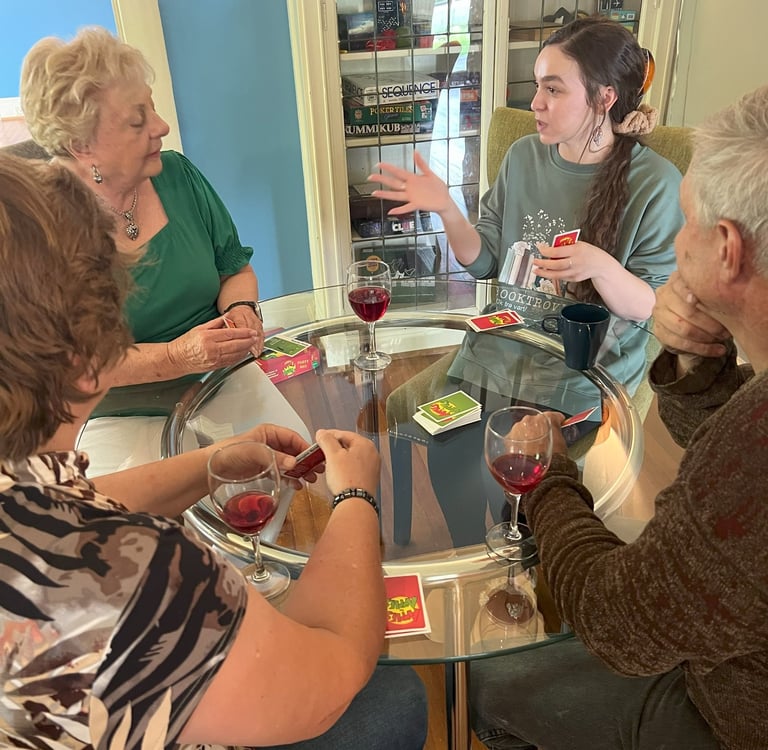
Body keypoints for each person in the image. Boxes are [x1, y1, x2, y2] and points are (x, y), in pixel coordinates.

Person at [0, 154, 427, 749]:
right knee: (396, 697)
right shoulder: (135, 574)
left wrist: (211, 463)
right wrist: (356, 497)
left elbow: (66, 504)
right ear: (88, 352)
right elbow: (335, 670)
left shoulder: (23, 491)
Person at [468, 85, 768, 750]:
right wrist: (699, 357)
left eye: (684, 224)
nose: (673, 245)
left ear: (726, 248)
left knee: (491, 684)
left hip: (728, 717)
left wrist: (547, 474)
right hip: (730, 645)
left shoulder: (753, 462)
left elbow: (615, 623)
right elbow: (728, 435)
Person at [373, 16, 682, 547]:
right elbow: (485, 259)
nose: (535, 102)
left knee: (526, 485)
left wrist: (600, 266)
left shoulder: (655, 183)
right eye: (537, 85)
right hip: (499, 348)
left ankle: (539, 568)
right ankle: (490, 561)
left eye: (553, 88)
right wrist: (448, 208)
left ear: (605, 97)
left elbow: (648, 305)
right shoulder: (522, 157)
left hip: (582, 373)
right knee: (453, 464)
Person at [19, 27, 308, 477]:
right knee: (150, 534)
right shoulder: (42, 232)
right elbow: (72, 365)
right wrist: (176, 356)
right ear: (82, 145)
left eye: (152, 107)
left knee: (292, 467)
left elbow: (234, 267)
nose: (162, 126)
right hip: (121, 409)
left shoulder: (178, 174)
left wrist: (242, 309)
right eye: (138, 120)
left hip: (220, 375)